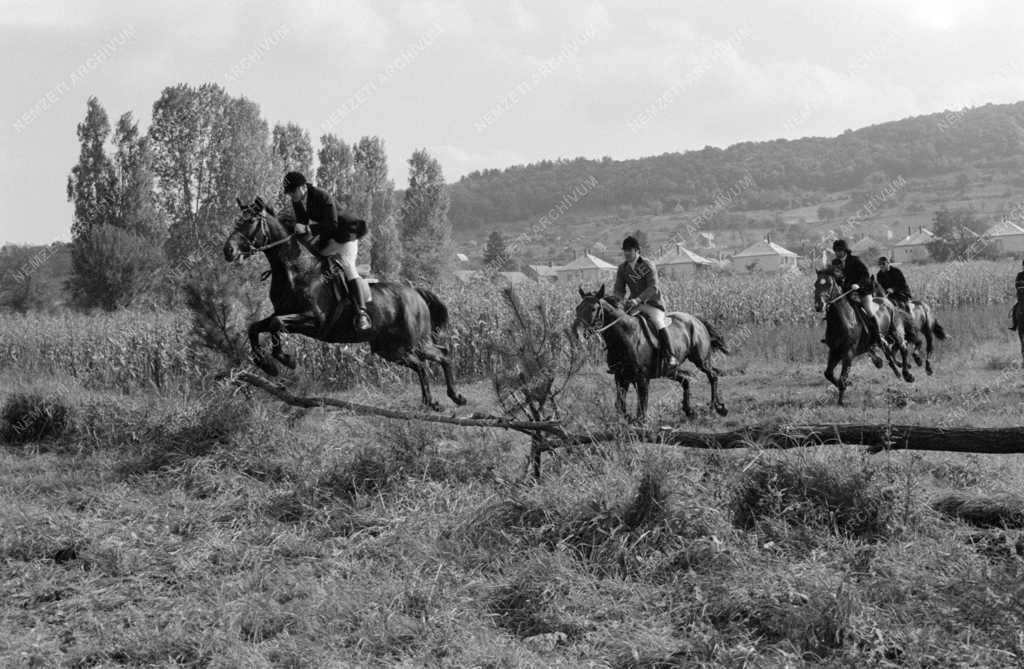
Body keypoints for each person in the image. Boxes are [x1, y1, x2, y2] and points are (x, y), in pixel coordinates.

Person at [283, 171, 371, 332]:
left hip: (346, 235)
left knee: (348, 267)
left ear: (303, 187)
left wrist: (307, 228)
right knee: (318, 265)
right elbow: (302, 223)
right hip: (329, 238)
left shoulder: (321, 195)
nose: (291, 195)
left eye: (292, 191)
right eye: (288, 192)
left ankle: (362, 313)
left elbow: (332, 224)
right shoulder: (298, 201)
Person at [612, 235, 677, 375]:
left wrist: (637, 300)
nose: (627, 253)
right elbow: (619, 289)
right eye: (625, 251)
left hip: (652, 303)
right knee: (620, 324)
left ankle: (670, 356)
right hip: (633, 305)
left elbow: (653, 287)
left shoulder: (647, 264)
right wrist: (616, 301)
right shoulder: (622, 268)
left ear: (637, 251)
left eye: (629, 250)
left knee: (659, 323)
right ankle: (621, 360)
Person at [833, 239, 884, 347]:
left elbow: (865, 275)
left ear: (845, 251)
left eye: (839, 250)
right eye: (835, 251)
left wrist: (858, 285)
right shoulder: (835, 263)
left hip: (863, 290)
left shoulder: (855, 260)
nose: (837, 253)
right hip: (847, 292)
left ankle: (878, 336)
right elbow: (836, 277)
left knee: (869, 311)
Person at [1010, 259, 1024, 331]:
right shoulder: (1019, 275)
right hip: (1021, 295)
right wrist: (1020, 286)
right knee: (1015, 308)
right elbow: (1016, 284)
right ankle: (1015, 325)